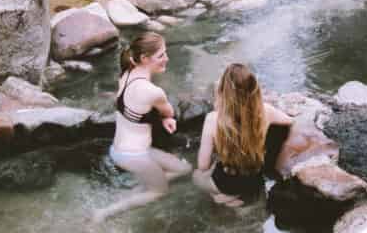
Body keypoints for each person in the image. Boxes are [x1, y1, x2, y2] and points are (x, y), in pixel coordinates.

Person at [93, 32, 191, 221]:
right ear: (145, 58)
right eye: (161, 55)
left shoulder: (126, 75)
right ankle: (106, 212)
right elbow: (169, 113)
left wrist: (161, 119)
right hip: (135, 155)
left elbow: (137, 109)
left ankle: (141, 186)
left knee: (183, 169)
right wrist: (165, 118)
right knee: (159, 192)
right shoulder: (153, 92)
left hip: (123, 149)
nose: (167, 58)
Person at [194, 63, 295, 207]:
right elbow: (291, 121)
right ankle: (239, 197)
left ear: (223, 92)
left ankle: (221, 197)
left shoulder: (213, 119)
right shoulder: (266, 111)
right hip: (254, 179)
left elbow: (202, 164)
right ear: (254, 90)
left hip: (225, 182)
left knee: (197, 176)